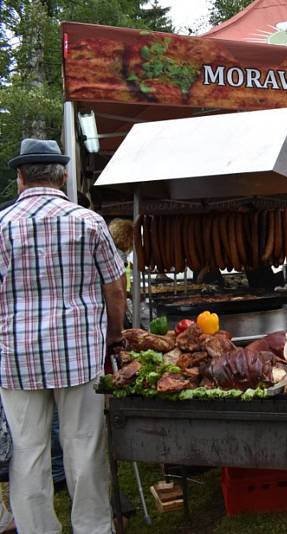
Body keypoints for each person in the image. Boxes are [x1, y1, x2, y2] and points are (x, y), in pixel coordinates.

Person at [0, 139, 126, 533]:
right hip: (79, 355)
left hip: (16, 357)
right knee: (84, 446)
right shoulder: (88, 222)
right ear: (64, 176)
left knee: (28, 451)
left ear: (20, 179)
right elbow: (115, 289)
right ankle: (92, 528)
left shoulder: (2, 226)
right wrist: (114, 336)